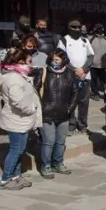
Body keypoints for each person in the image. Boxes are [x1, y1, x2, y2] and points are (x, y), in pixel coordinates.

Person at [0, 47, 42, 190]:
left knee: (20, 150)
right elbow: (18, 101)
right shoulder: (14, 78)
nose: (31, 64)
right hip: (17, 119)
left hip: (21, 120)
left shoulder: (18, 75)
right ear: (20, 61)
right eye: (29, 61)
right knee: (16, 150)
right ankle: (5, 179)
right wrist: (31, 109)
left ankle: (16, 176)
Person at [37, 48, 78, 179]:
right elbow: (36, 90)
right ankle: (46, 165)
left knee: (60, 141)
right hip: (47, 113)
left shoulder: (70, 73)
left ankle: (58, 163)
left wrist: (69, 108)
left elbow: (75, 93)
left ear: (63, 60)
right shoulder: (44, 72)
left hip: (63, 113)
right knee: (49, 141)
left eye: (57, 59)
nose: (55, 62)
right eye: (53, 59)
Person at [58, 19, 95, 134]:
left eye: (79, 27)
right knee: (70, 102)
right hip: (69, 76)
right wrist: (74, 70)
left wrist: (83, 70)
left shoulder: (85, 40)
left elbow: (91, 56)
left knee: (84, 102)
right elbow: (61, 57)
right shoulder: (63, 40)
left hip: (85, 76)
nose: (77, 29)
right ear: (69, 28)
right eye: (74, 27)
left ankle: (82, 125)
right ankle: (71, 125)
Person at [89, 24, 106, 100]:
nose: (100, 30)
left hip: (104, 65)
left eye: (101, 29)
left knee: (105, 81)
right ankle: (95, 93)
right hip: (93, 65)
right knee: (94, 80)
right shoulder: (91, 39)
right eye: (98, 29)